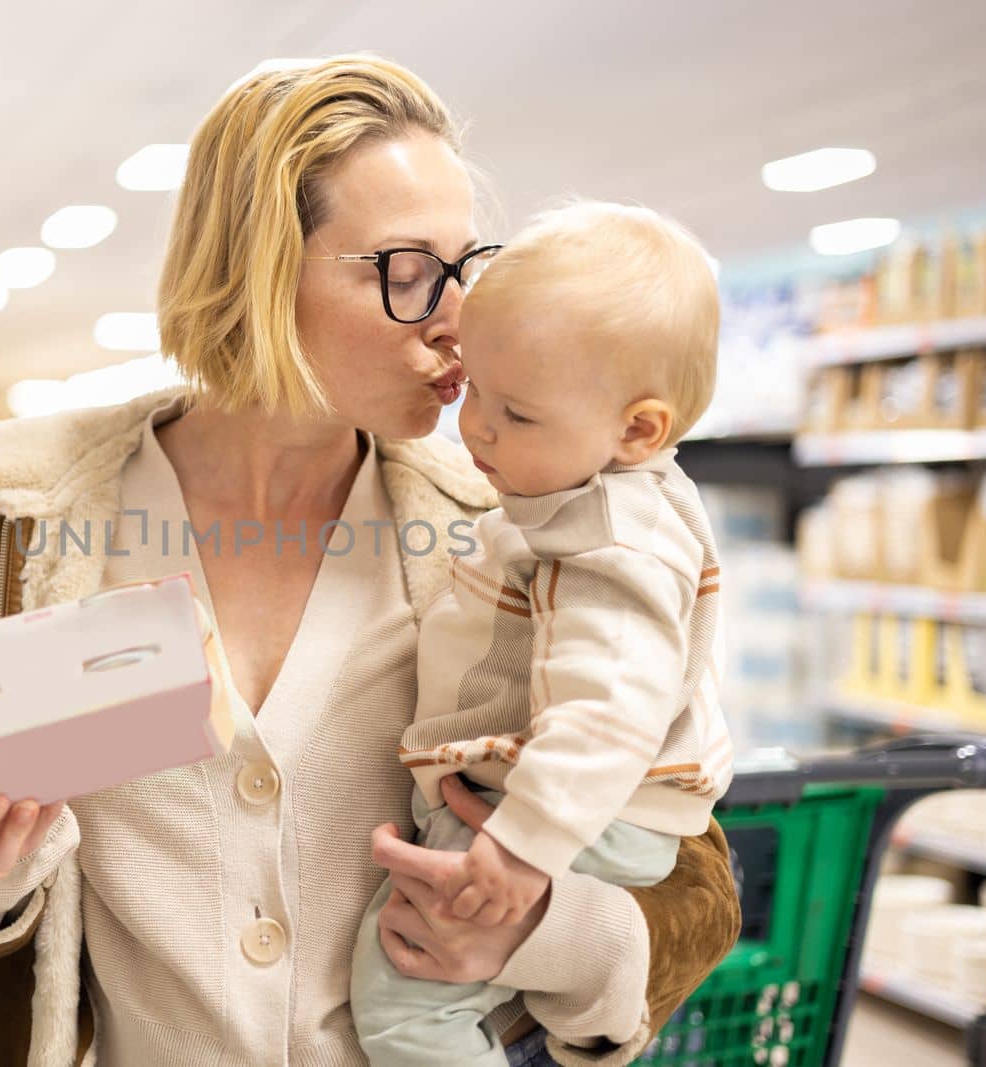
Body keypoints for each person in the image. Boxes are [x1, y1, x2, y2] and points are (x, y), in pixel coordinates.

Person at [0, 55, 740, 1067]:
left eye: (466, 266)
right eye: (404, 268)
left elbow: (695, 883)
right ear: (255, 266)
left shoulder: (510, 523)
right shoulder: (26, 514)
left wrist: (534, 926)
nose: (459, 317)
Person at [349, 201, 734, 1066]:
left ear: (638, 430)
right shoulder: (576, 499)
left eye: (516, 413)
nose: (474, 424)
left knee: (404, 1005)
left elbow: (611, 705)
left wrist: (523, 845)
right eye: (475, 386)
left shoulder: (609, 536)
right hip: (567, 810)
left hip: (553, 815)